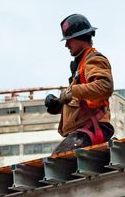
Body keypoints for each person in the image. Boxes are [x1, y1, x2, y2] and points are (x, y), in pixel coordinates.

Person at [44, 14, 115, 155]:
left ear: (80, 38)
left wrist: (73, 91)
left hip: (93, 129)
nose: (66, 45)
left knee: (58, 162)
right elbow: (79, 101)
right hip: (83, 131)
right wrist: (56, 104)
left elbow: (104, 86)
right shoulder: (80, 67)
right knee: (57, 163)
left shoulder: (93, 59)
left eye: (69, 40)